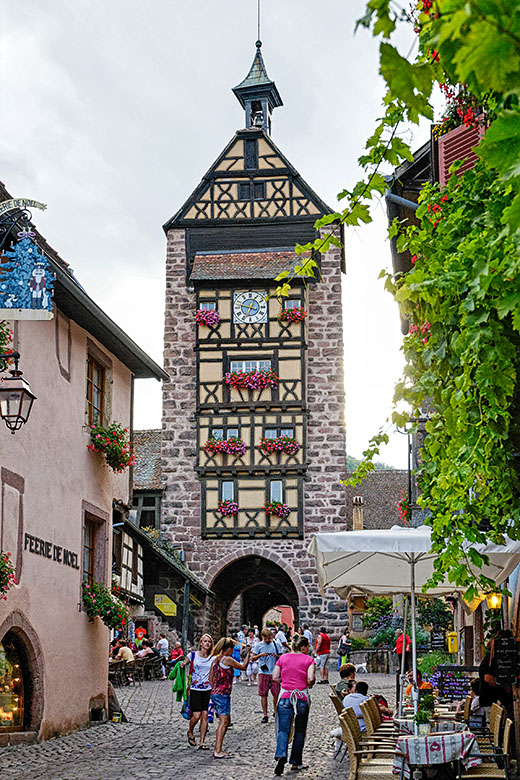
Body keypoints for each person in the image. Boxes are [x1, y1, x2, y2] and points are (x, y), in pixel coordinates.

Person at [272, 634, 315, 775]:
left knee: (283, 729)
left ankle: (281, 754)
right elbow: (310, 679)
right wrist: (308, 684)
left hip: (285, 696)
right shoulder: (309, 660)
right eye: (307, 646)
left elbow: (275, 677)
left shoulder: (282, 658)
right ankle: (296, 762)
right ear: (303, 647)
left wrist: (286, 682)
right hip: (301, 697)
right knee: (300, 731)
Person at [209, 637, 251, 759]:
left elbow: (210, 678)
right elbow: (243, 667)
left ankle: (218, 748)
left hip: (216, 693)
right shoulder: (227, 659)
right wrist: (248, 653)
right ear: (228, 649)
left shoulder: (215, 660)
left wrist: (215, 689)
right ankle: (218, 750)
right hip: (223, 694)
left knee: (225, 720)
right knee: (224, 722)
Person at [184, 634, 214, 750]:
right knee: (196, 715)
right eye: (205, 641)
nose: (207, 643)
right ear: (201, 643)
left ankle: (202, 742)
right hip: (195, 688)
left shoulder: (212, 658)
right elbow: (183, 664)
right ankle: (190, 731)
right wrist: (181, 665)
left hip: (208, 689)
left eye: (209, 642)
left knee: (205, 715)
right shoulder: (192, 655)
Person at [252, 627, 282, 723]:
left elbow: (282, 658)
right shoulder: (258, 645)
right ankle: (265, 715)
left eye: (269, 638)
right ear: (262, 637)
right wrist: (261, 655)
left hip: (274, 672)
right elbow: (253, 658)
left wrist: (276, 656)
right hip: (263, 672)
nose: (268, 640)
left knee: (276, 693)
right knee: (263, 694)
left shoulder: (276, 644)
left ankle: (275, 711)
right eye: (266, 639)